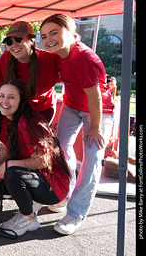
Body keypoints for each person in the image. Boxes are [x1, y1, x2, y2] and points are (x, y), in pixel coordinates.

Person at [40, 13, 115, 235]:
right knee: (60, 150)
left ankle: (76, 213)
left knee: (92, 161)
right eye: (44, 36)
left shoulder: (83, 57)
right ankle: (64, 192)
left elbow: (96, 98)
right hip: (72, 107)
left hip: (97, 112)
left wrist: (94, 127)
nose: (48, 39)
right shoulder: (58, 54)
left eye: (54, 33)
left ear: (73, 33)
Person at [0, 79, 70, 236]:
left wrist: (9, 165)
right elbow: (6, 150)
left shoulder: (29, 123)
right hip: (33, 175)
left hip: (53, 185)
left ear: (21, 101)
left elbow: (44, 161)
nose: (4, 101)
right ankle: (28, 200)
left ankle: (28, 218)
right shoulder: (5, 119)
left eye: (11, 97)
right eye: (1, 96)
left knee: (11, 172)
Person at [0, 21, 60, 124]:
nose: (13, 45)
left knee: (35, 139)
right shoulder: (5, 59)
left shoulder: (50, 60)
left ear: (31, 39)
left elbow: (72, 80)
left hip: (42, 110)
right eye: (9, 42)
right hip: (17, 109)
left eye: (18, 39)